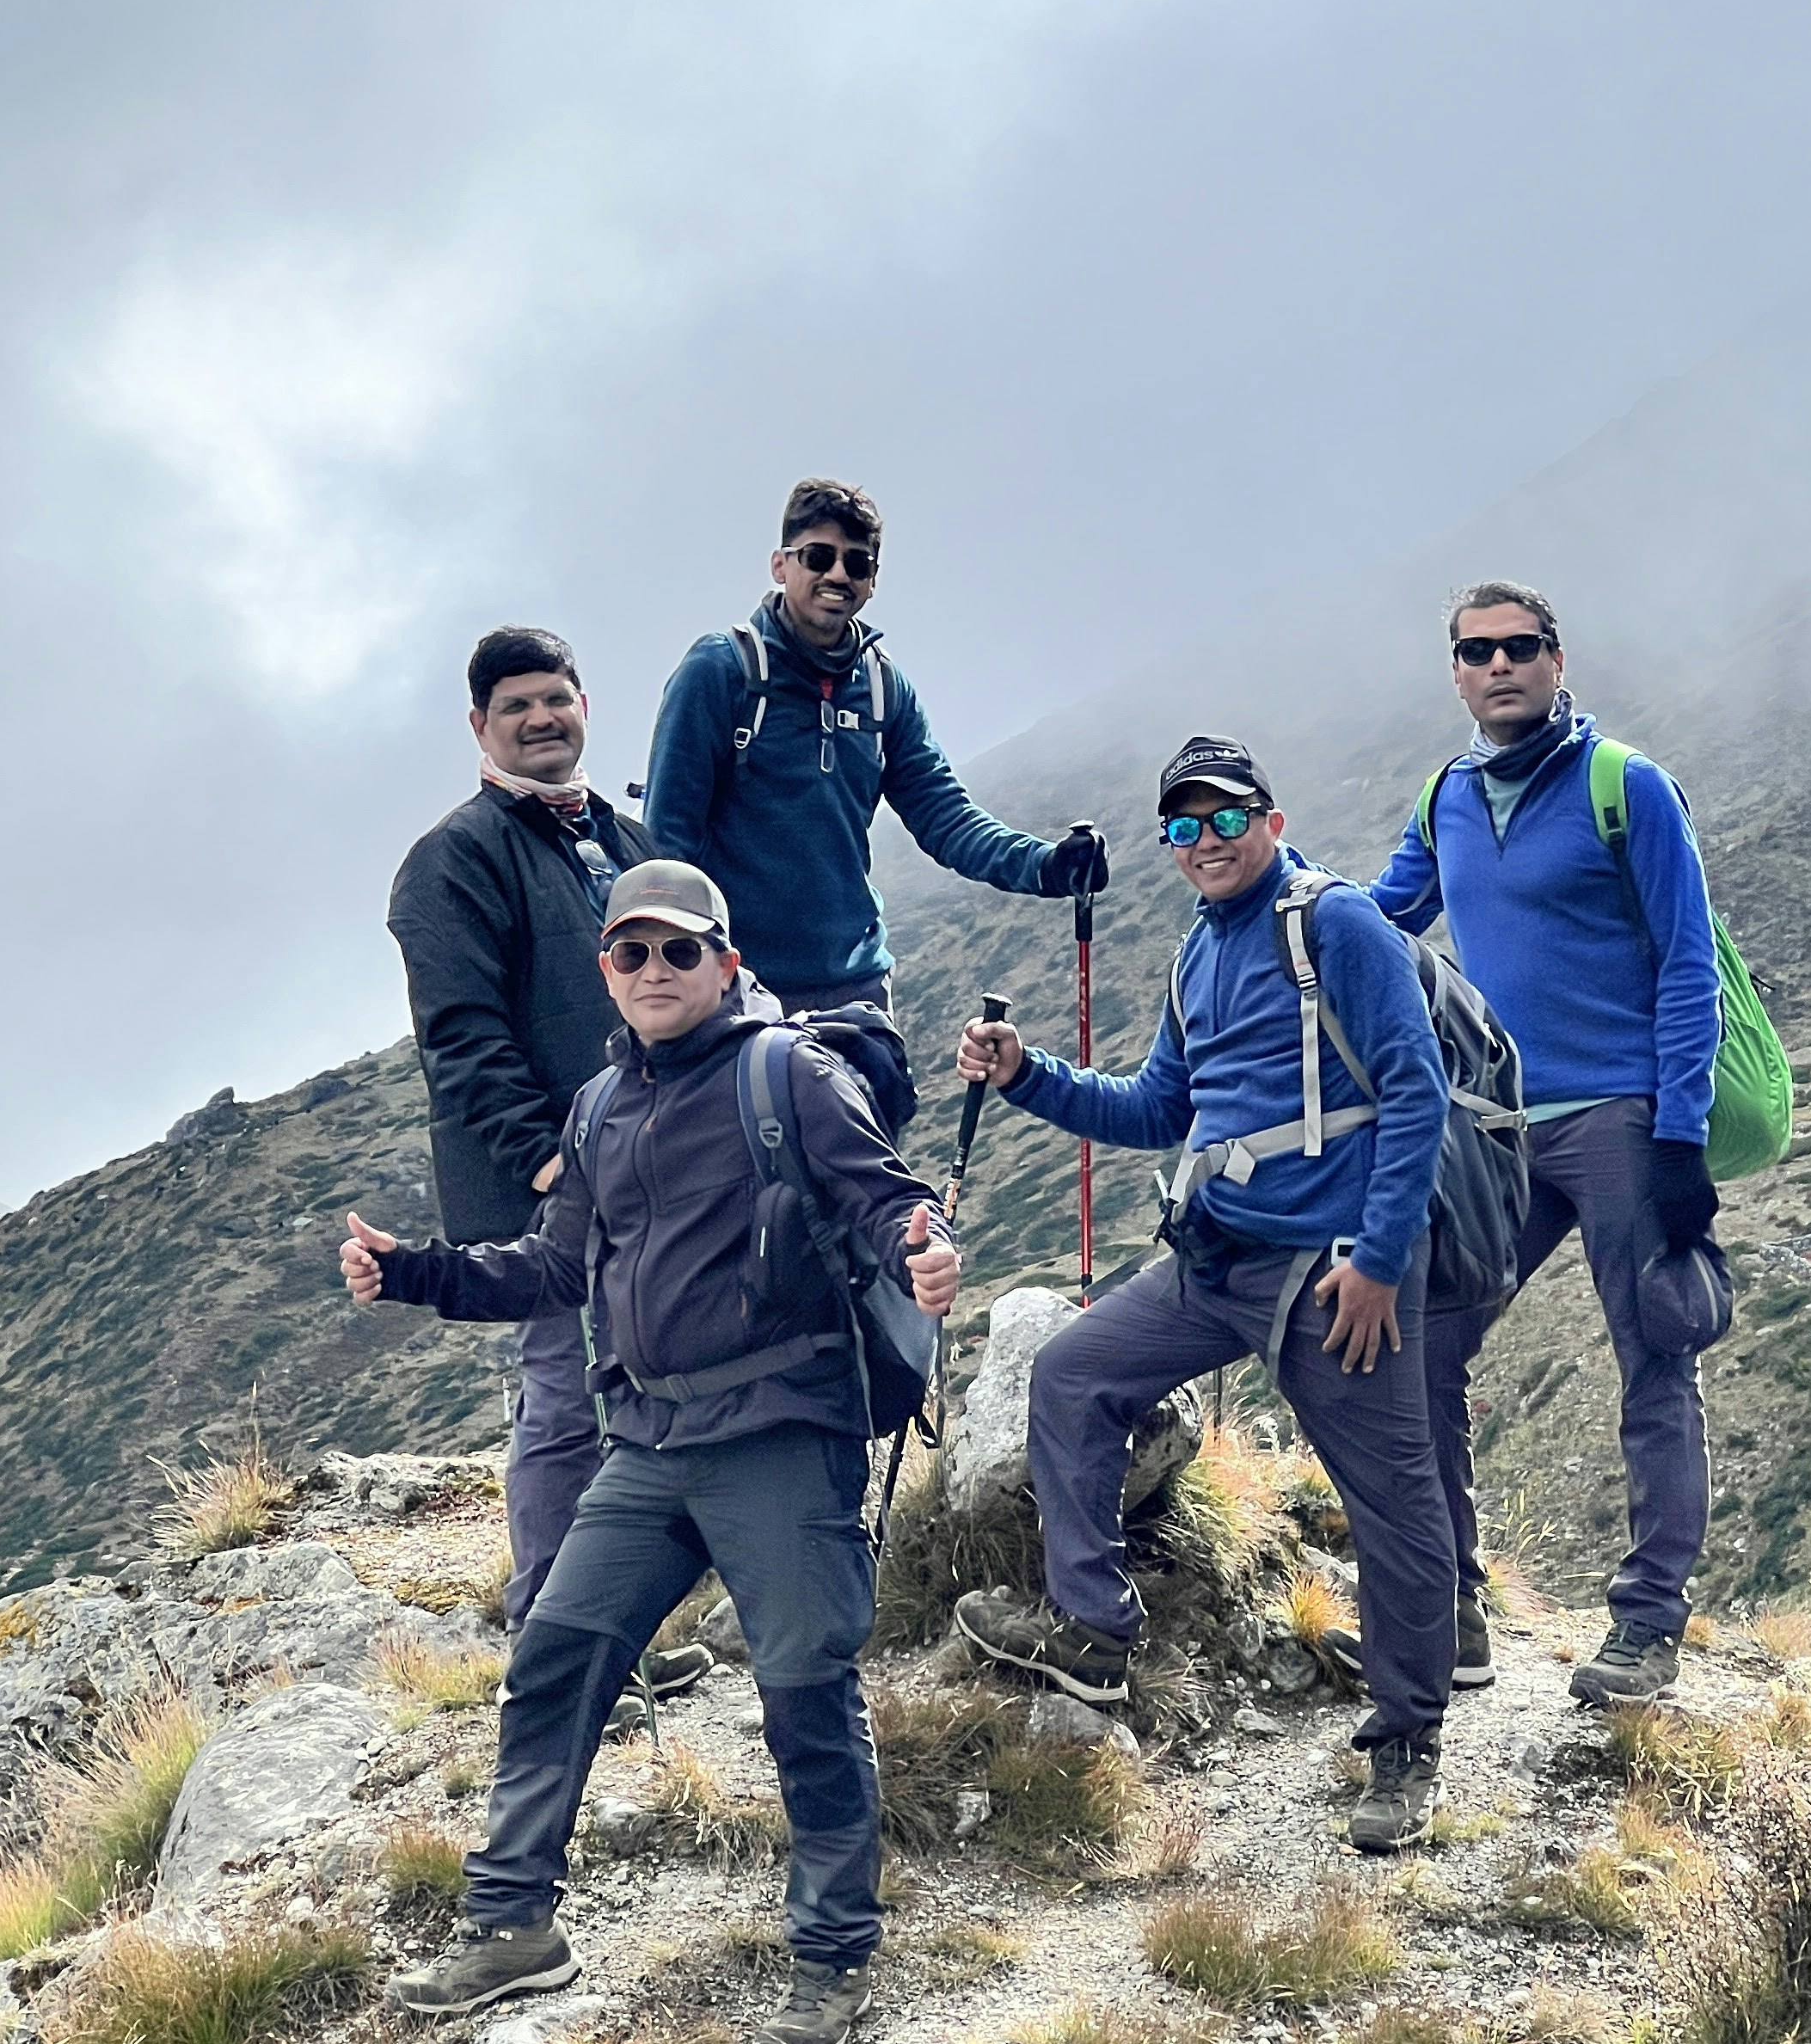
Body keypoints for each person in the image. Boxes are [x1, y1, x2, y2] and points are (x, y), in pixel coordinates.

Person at [341, 858, 961, 2044]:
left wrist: (927, 1249)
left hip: (781, 1436)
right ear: (607, 974)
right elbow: (554, 1265)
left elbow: (892, 1201)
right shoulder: (598, 1109)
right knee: (558, 1656)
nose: (656, 971)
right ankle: (513, 1923)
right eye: (633, 953)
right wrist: (414, 1270)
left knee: (804, 1693)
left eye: (681, 951)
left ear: (726, 964)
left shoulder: (790, 1073)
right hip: (651, 1444)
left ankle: (833, 1956)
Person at [949, 736, 1460, 1853]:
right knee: (1074, 1376)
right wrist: (1025, 1073)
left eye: (1224, 817)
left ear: (1271, 820)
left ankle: (1409, 1741)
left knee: (1392, 1499)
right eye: (1181, 826)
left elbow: (1418, 1095)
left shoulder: (1335, 927)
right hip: (1213, 1266)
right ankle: (1093, 1631)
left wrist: (1378, 1258)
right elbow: (1155, 1111)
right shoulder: (1197, 954)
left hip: (1333, 1275)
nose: (1204, 840)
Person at [1372, 582, 1722, 1708]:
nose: (1499, 666)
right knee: (1422, 1342)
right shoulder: (1445, 798)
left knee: (1654, 1359)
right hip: (1502, 1131)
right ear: (1457, 673)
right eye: (1476, 653)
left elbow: (1687, 965)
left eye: (1520, 648)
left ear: (1557, 660)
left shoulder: (1629, 788)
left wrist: (1679, 1141)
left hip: (1622, 1118)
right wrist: (1254, 882)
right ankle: (1452, 1609)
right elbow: (1383, 918)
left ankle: (1649, 1626)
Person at [385, 628, 712, 1697]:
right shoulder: (454, 858)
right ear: (479, 727)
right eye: (515, 705)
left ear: (584, 709)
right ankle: (552, 1643)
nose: (540, 718)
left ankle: (617, 1634)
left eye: (555, 700)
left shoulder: (630, 841)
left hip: (660, 1171)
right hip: (553, 1191)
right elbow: (463, 1037)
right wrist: (544, 1165)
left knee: (647, 1396)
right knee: (566, 1399)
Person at [642, 476, 1106, 1115]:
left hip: (854, 990)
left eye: (857, 563)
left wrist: (1047, 866)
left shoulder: (886, 690)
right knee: (747, 1192)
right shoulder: (721, 671)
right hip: (737, 988)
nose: (838, 574)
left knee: (862, 1192)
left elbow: (945, 816)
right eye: (818, 556)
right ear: (781, 565)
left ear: (874, 579)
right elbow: (668, 849)